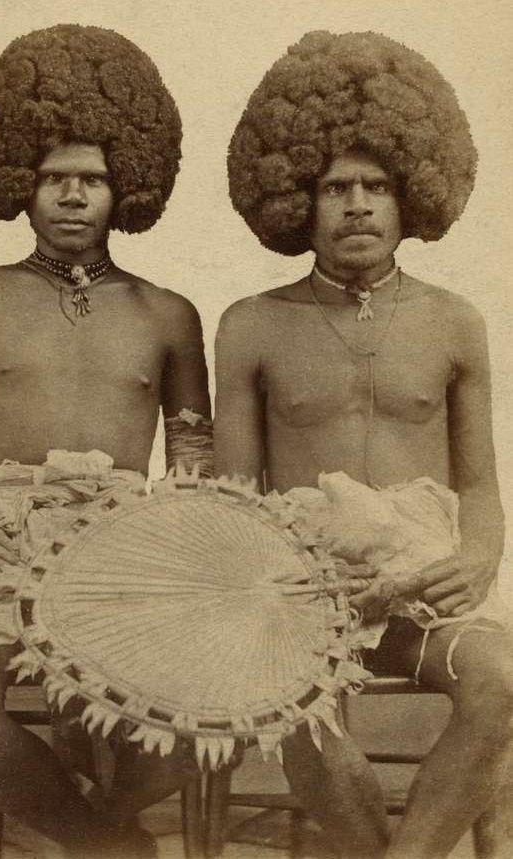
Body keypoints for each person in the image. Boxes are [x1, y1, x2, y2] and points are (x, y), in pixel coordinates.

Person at [0, 24, 212, 859]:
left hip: (126, 549)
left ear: (125, 185)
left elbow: (194, 464)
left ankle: (83, 828)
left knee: (217, 708)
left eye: (92, 177)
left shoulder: (169, 315)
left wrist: (176, 545)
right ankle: (105, 842)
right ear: (17, 180)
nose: (71, 195)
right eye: (54, 175)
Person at [216, 30, 513, 859]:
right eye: (334, 186)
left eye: (375, 185)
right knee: (296, 716)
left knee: (504, 683)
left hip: (426, 587)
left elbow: (480, 482)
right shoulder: (250, 326)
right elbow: (235, 498)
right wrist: (285, 583)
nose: (356, 204)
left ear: (408, 193)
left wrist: (481, 555)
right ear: (293, 201)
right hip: (301, 592)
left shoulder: (457, 321)